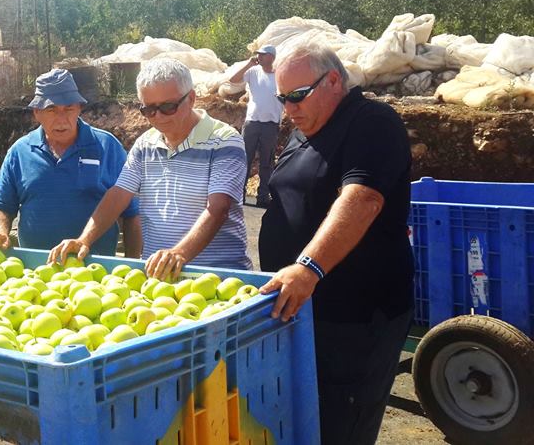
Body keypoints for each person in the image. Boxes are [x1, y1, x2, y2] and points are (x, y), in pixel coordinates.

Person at [257, 42, 414, 445]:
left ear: (332, 81)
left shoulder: (371, 122)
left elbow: (362, 199)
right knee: (308, 423)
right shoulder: (306, 129)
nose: (288, 108)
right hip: (305, 310)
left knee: (342, 425)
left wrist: (308, 267)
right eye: (282, 98)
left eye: (297, 95)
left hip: (354, 319)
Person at [50, 58, 250, 278]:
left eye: (168, 107)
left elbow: (218, 209)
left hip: (216, 277)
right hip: (159, 276)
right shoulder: (146, 144)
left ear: (191, 98)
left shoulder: (224, 141)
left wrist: (179, 254)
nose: (159, 117)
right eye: (149, 110)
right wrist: (84, 240)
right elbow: (118, 195)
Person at [0, 69, 141, 257]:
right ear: (37, 113)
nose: (61, 119)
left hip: (96, 272)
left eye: (68, 109)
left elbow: (131, 213)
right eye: (51, 110)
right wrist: (1, 234)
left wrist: (132, 264)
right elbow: (2, 206)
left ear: (79, 108)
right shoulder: (20, 152)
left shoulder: (107, 147)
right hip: (34, 272)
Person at [230, 44, 282, 207]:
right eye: (258, 54)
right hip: (252, 122)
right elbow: (233, 80)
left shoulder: (279, 76)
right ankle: (240, 194)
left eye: (263, 54)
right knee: (245, 158)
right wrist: (248, 64)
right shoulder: (252, 72)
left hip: (271, 124)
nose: (259, 57)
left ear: (271, 58)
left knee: (266, 162)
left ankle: (263, 196)